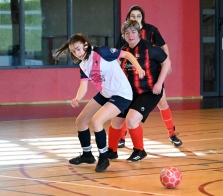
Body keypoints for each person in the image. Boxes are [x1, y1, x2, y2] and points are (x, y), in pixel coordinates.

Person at [54, 33, 145, 172]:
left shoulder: (101, 52)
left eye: (78, 49)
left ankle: (104, 158)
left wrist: (138, 68)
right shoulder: (83, 64)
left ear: (85, 45)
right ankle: (87, 155)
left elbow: (127, 55)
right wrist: (77, 98)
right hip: (106, 93)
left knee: (97, 121)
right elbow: (83, 86)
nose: (76, 53)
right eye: (73, 51)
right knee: (81, 121)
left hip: (121, 94)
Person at [115, 5, 182, 148]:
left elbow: (164, 46)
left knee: (162, 103)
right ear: (128, 18)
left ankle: (172, 134)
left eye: (138, 16)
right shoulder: (125, 36)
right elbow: (118, 57)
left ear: (142, 18)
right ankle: (121, 137)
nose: (135, 19)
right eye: (132, 16)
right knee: (128, 108)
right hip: (132, 79)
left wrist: (167, 62)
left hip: (152, 76)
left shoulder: (151, 31)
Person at [107, 20, 171, 162]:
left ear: (139, 33)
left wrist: (159, 83)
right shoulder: (124, 51)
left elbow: (166, 62)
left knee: (131, 119)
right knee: (116, 119)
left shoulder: (150, 48)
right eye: (127, 33)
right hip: (129, 93)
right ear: (124, 35)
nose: (130, 35)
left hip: (149, 92)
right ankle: (111, 151)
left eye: (133, 32)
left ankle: (139, 151)